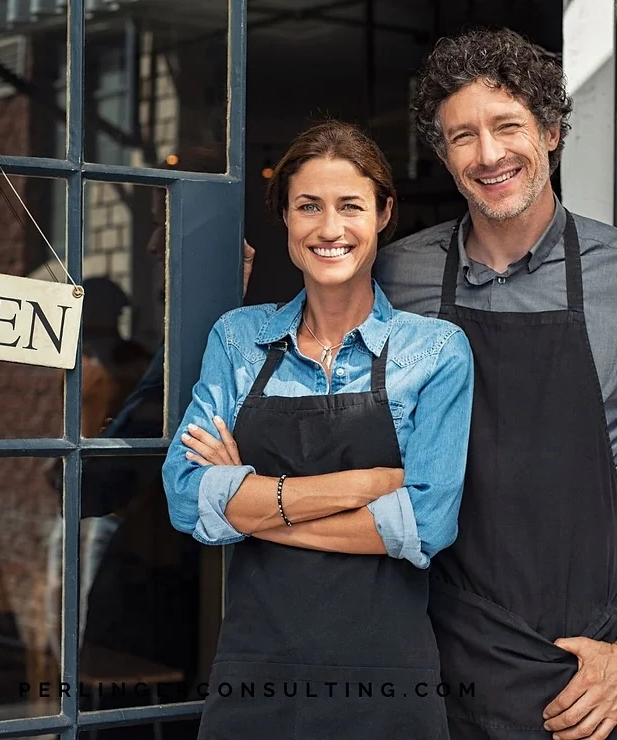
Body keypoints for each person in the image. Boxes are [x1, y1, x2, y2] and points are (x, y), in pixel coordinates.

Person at [162, 121, 474, 739]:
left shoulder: (435, 352)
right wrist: (367, 485)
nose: (329, 229)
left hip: (387, 681)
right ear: (285, 219)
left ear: (384, 213)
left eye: (350, 206)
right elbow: (183, 496)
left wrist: (252, 506)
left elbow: (427, 525)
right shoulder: (239, 339)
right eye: (308, 206)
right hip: (256, 673)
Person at [373, 27, 617, 740]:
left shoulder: (614, 275)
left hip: (581, 668)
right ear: (443, 155)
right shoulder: (395, 276)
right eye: (461, 136)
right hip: (429, 647)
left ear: (550, 130)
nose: (488, 155)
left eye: (507, 126)